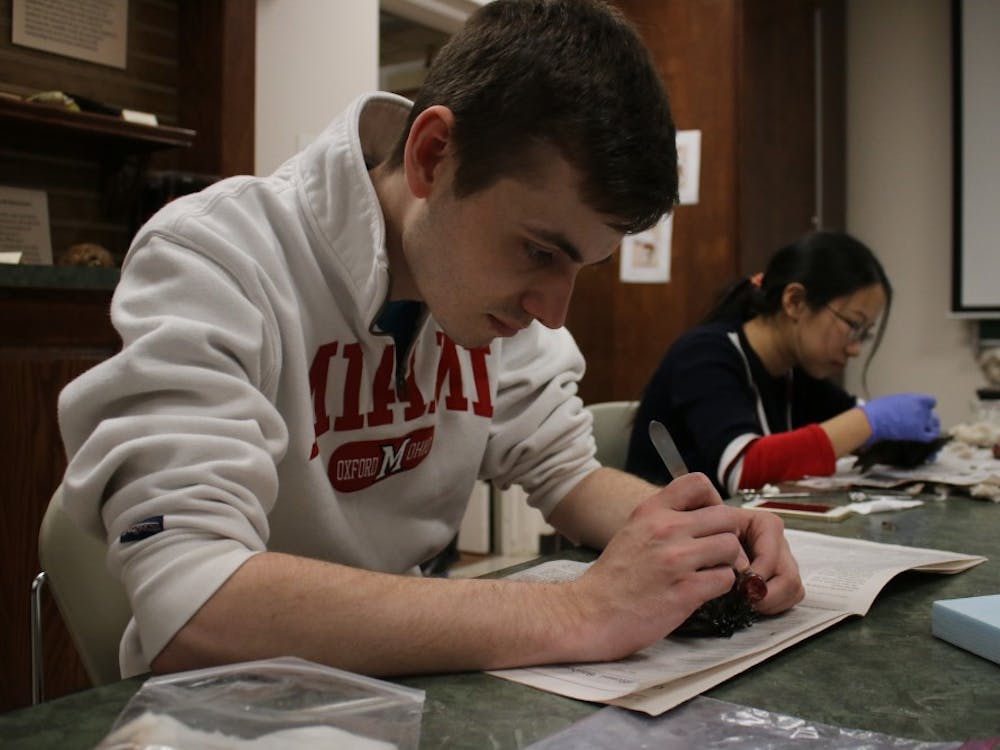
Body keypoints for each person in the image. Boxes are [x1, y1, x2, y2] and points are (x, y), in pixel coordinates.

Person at [57, 0, 803, 680]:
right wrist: (580, 609)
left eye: (582, 266)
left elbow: (568, 475)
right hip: (226, 711)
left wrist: (706, 541)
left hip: (397, 687)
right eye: (539, 251)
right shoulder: (216, 258)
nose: (552, 311)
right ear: (433, 155)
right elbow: (195, 607)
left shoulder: (485, 294)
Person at [625, 231, 941, 496]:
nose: (856, 349)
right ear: (795, 302)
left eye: (865, 334)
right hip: (670, 537)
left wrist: (907, 440)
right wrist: (870, 421)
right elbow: (743, 470)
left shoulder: (795, 370)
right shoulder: (703, 355)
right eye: (853, 325)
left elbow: (852, 430)